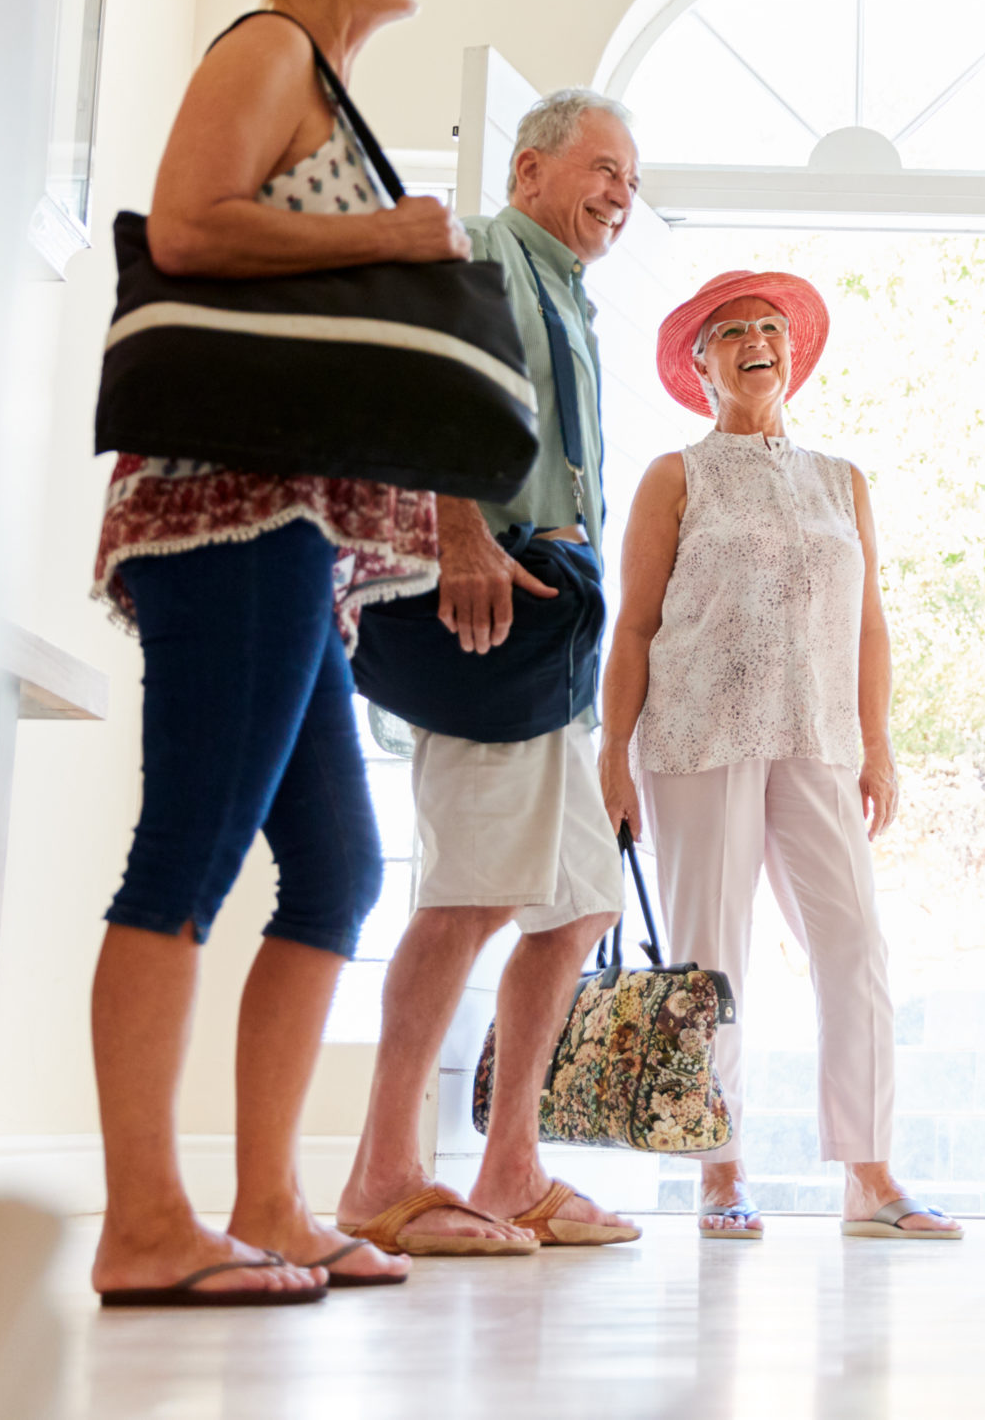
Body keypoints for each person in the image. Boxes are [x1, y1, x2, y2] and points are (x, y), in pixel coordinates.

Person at [84, 0, 458, 1303]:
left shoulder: (332, 87)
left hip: (291, 525)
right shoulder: (268, 47)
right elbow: (185, 226)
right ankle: (142, 1221)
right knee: (187, 847)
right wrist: (386, 236)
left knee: (341, 864)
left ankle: (272, 1199)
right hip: (223, 508)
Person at [333, 89, 645, 1256]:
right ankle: (379, 1176)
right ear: (528, 168)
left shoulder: (568, 292)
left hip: (555, 636)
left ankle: (511, 1167)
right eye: (603, 167)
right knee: (468, 892)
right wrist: (460, 537)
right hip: (486, 615)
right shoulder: (481, 249)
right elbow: (423, 385)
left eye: (633, 180)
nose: (620, 193)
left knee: (577, 903)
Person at [597, 270, 960, 1243]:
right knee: (710, 960)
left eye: (771, 326)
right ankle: (721, 1173)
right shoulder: (674, 476)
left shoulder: (843, 480)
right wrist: (611, 752)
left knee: (855, 947)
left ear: (791, 351)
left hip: (818, 740)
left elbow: (869, 623)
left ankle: (871, 1179)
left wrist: (877, 746)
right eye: (733, 331)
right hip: (695, 737)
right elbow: (631, 627)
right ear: (700, 365)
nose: (758, 339)